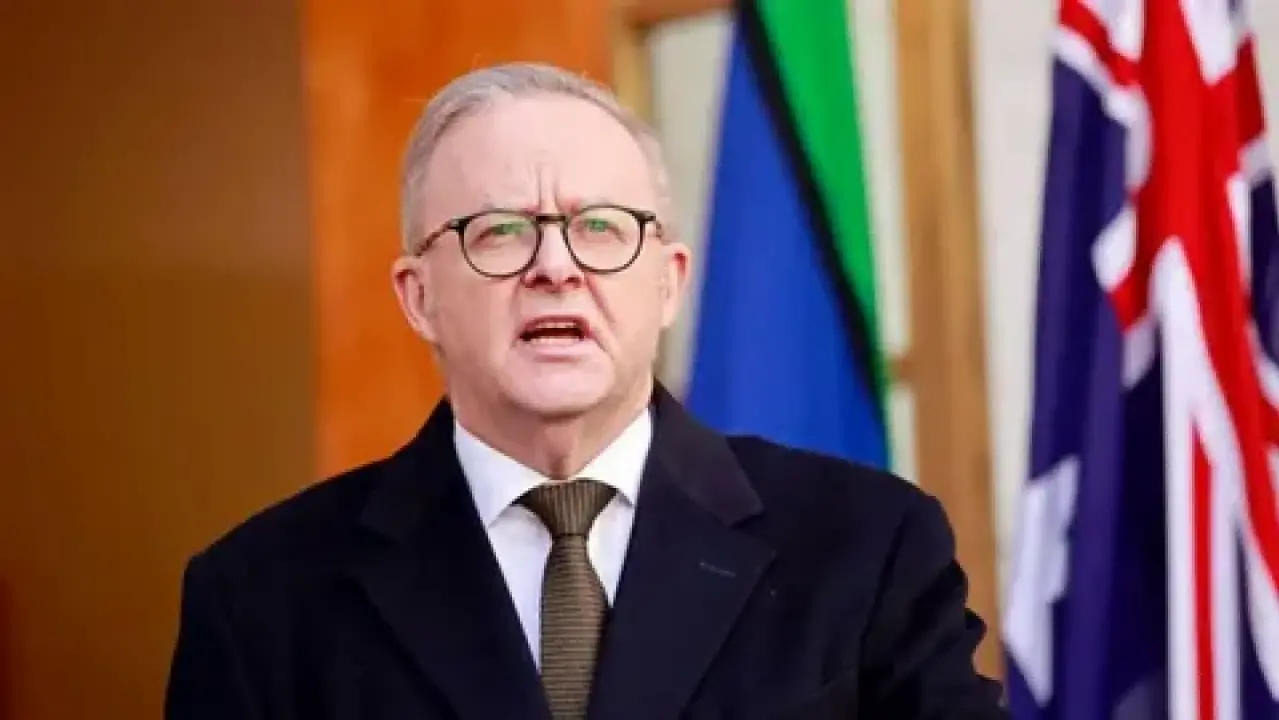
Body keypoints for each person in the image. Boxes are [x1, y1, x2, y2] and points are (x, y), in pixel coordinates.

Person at [164, 61, 1006, 719]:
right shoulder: (260, 597)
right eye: (499, 231)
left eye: (599, 227)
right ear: (419, 297)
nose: (555, 267)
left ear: (669, 282)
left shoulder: (868, 543)